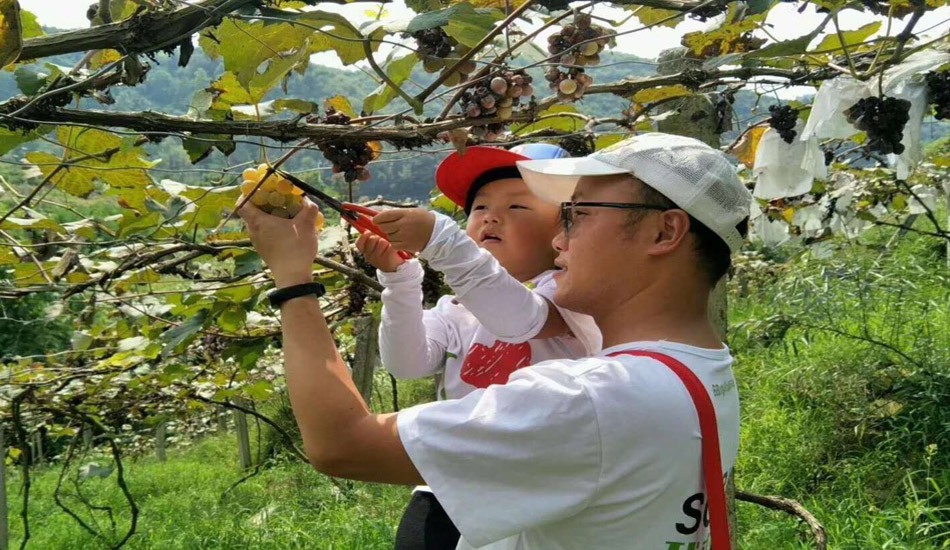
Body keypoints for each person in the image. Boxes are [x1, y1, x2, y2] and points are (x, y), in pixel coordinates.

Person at [237, 132, 753, 550]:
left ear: (663, 233)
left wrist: (293, 278)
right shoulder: (702, 373)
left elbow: (340, 445)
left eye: (578, 215)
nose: (559, 238)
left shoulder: (592, 400)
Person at [355, 143, 602, 550]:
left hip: (534, 487)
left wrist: (443, 242)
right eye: (479, 207)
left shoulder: (570, 297)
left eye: (517, 206)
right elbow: (406, 364)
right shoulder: (456, 309)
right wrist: (399, 279)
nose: (490, 216)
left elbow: (520, 319)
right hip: (451, 483)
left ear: (566, 232)